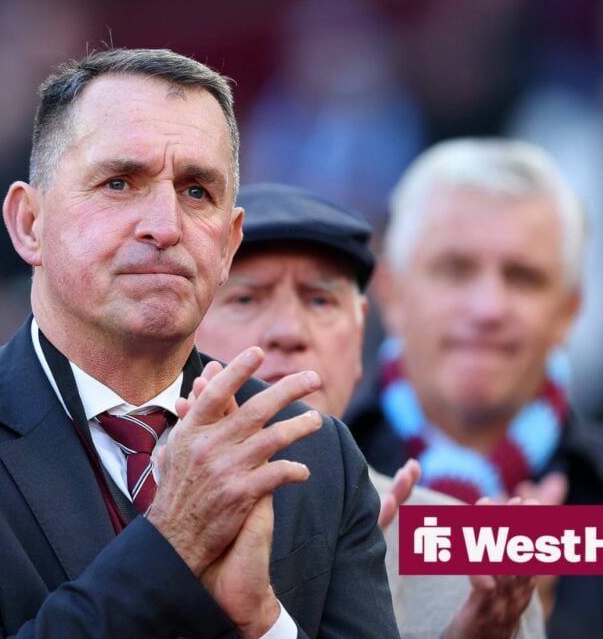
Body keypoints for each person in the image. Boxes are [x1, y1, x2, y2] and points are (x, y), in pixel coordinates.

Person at [0, 48, 399, 639]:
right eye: (120, 182)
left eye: (197, 191)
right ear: (29, 223)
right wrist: (172, 543)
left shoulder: (317, 456)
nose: (165, 226)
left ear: (228, 244)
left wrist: (266, 626)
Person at [344, 138, 603, 639]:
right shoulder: (311, 483)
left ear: (568, 311)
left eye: (523, 277)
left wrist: (542, 622)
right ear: (391, 294)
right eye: (455, 270)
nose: (488, 307)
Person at [194, 183, 545, 639]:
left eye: (320, 300)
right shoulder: (134, 516)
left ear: (359, 340)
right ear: (187, 335)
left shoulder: (470, 561)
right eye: (246, 299)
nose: (289, 331)